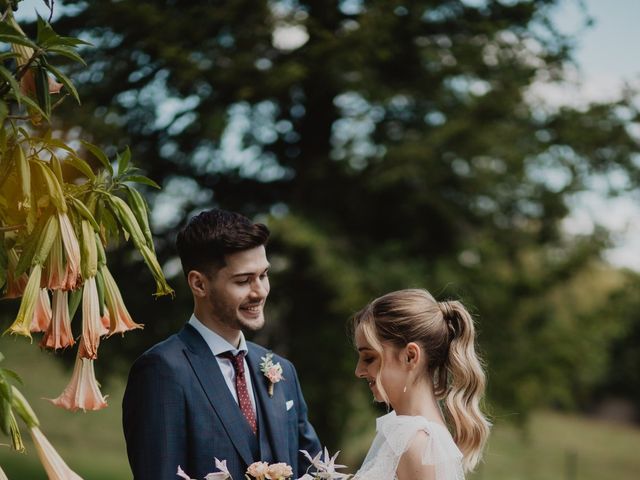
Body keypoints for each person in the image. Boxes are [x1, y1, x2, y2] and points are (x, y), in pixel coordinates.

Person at [122, 209, 321, 479]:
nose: (260, 291)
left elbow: (315, 469)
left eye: (263, 275)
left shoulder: (282, 371)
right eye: (243, 281)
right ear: (199, 284)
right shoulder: (162, 371)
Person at [352, 289, 490, 480]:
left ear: (410, 356)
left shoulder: (417, 444)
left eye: (369, 358)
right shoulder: (407, 434)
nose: (358, 371)